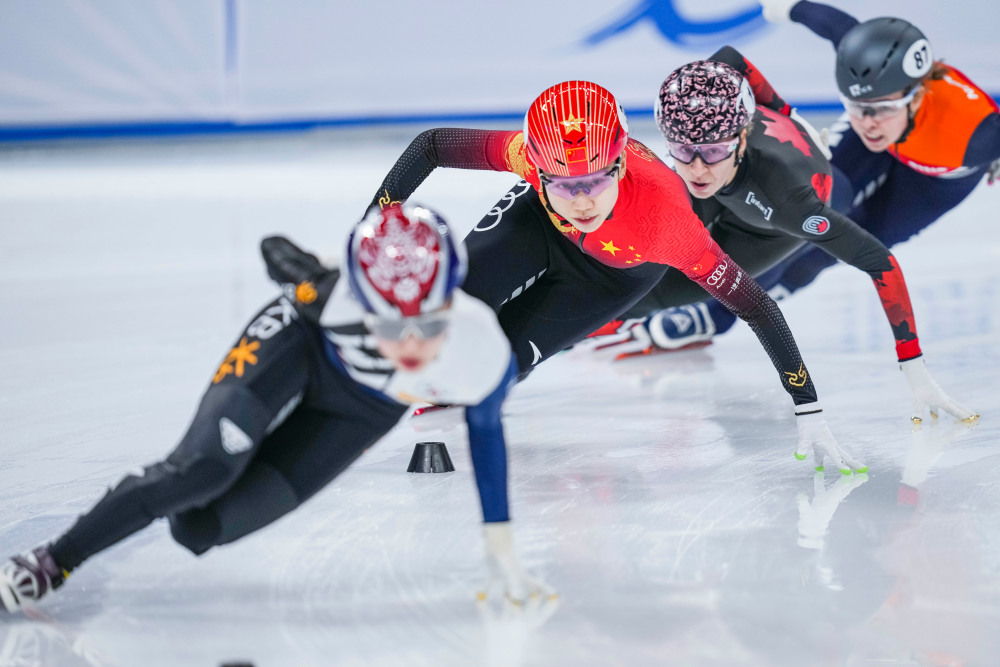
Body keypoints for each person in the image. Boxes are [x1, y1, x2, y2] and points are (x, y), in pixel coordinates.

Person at [0, 203, 551, 615]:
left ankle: (159, 497)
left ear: (452, 299)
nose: (408, 343)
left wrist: (500, 543)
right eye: (389, 324)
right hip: (300, 347)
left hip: (364, 407)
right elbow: (273, 248)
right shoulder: (330, 291)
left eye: (426, 324)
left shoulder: (482, 352)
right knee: (200, 471)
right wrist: (300, 271)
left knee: (199, 526)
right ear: (363, 300)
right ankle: (52, 561)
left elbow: (485, 435)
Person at [368, 79, 865, 473]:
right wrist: (375, 223)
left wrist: (808, 407)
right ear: (535, 168)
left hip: (610, 279)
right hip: (536, 226)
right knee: (449, 307)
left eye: (596, 180)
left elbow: (757, 306)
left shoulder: (669, 223)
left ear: (622, 161)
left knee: (497, 363)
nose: (582, 200)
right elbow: (431, 145)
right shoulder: (524, 152)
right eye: (563, 184)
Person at [608, 1, 999, 408]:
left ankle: (713, 317)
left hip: (935, 178)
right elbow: (826, 22)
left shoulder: (979, 135)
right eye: (855, 106)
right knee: (815, 210)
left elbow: (876, 260)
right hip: (883, 147)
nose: (866, 121)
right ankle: (717, 310)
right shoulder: (864, 64)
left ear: (916, 98)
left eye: (879, 110)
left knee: (843, 245)